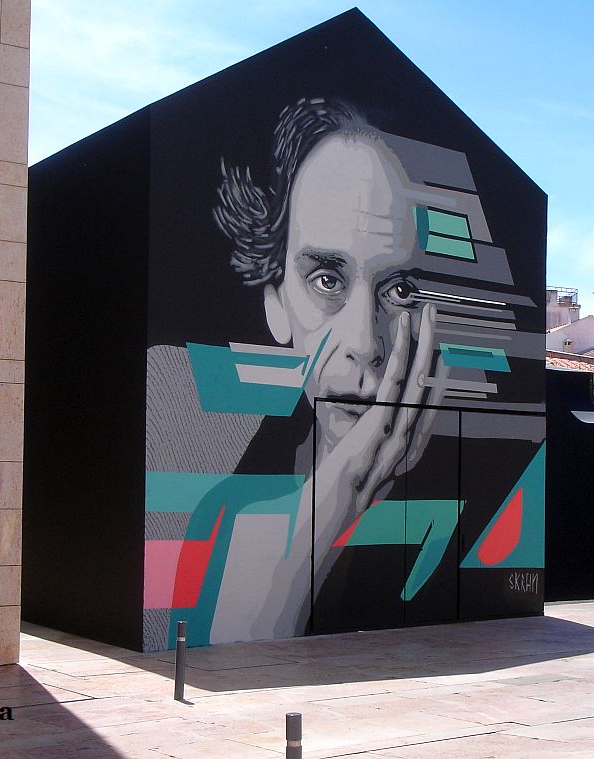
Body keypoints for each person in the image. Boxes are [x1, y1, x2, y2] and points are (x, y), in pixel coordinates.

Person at [169, 97, 451, 641]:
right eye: (327, 280)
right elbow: (224, 674)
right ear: (276, 302)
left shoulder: (466, 514)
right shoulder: (224, 515)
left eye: (398, 290)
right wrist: (328, 508)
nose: (364, 342)